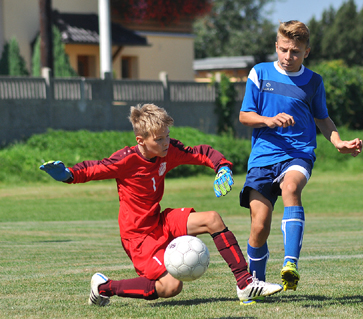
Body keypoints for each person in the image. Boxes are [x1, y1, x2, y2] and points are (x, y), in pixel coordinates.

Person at [39, 103, 282, 306]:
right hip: (138, 237)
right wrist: (68, 174)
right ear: (141, 140)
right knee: (171, 287)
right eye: (159, 139)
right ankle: (104, 287)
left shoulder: (168, 150)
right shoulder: (126, 160)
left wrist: (222, 167)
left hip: (159, 221)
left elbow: (201, 152)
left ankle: (245, 284)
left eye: (167, 136)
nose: (166, 142)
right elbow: (94, 168)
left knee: (212, 219)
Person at [238, 20, 363, 294]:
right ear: (276, 46)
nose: (288, 57)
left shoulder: (313, 81)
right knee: (259, 225)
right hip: (262, 158)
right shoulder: (259, 73)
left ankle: (290, 264)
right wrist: (269, 120)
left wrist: (338, 141)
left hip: (298, 153)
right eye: (283, 50)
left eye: (295, 52)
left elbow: (323, 118)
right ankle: (254, 283)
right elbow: (245, 115)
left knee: (291, 187)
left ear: (306, 52)